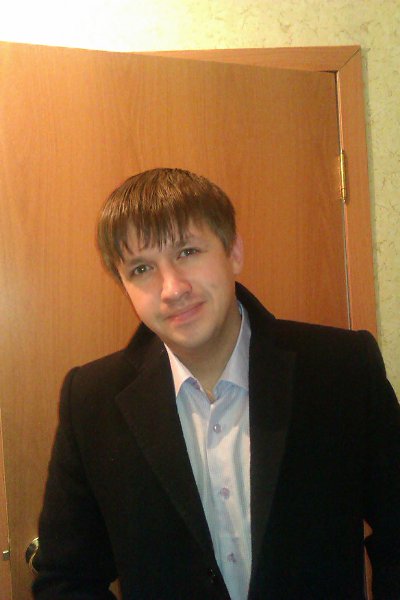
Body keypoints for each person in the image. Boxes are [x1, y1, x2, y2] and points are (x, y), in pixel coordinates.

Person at [33, 168, 400, 600]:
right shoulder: (91, 401)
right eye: (142, 268)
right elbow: (65, 578)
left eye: (187, 251)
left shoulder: (341, 368)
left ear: (234, 252)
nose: (172, 289)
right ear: (124, 284)